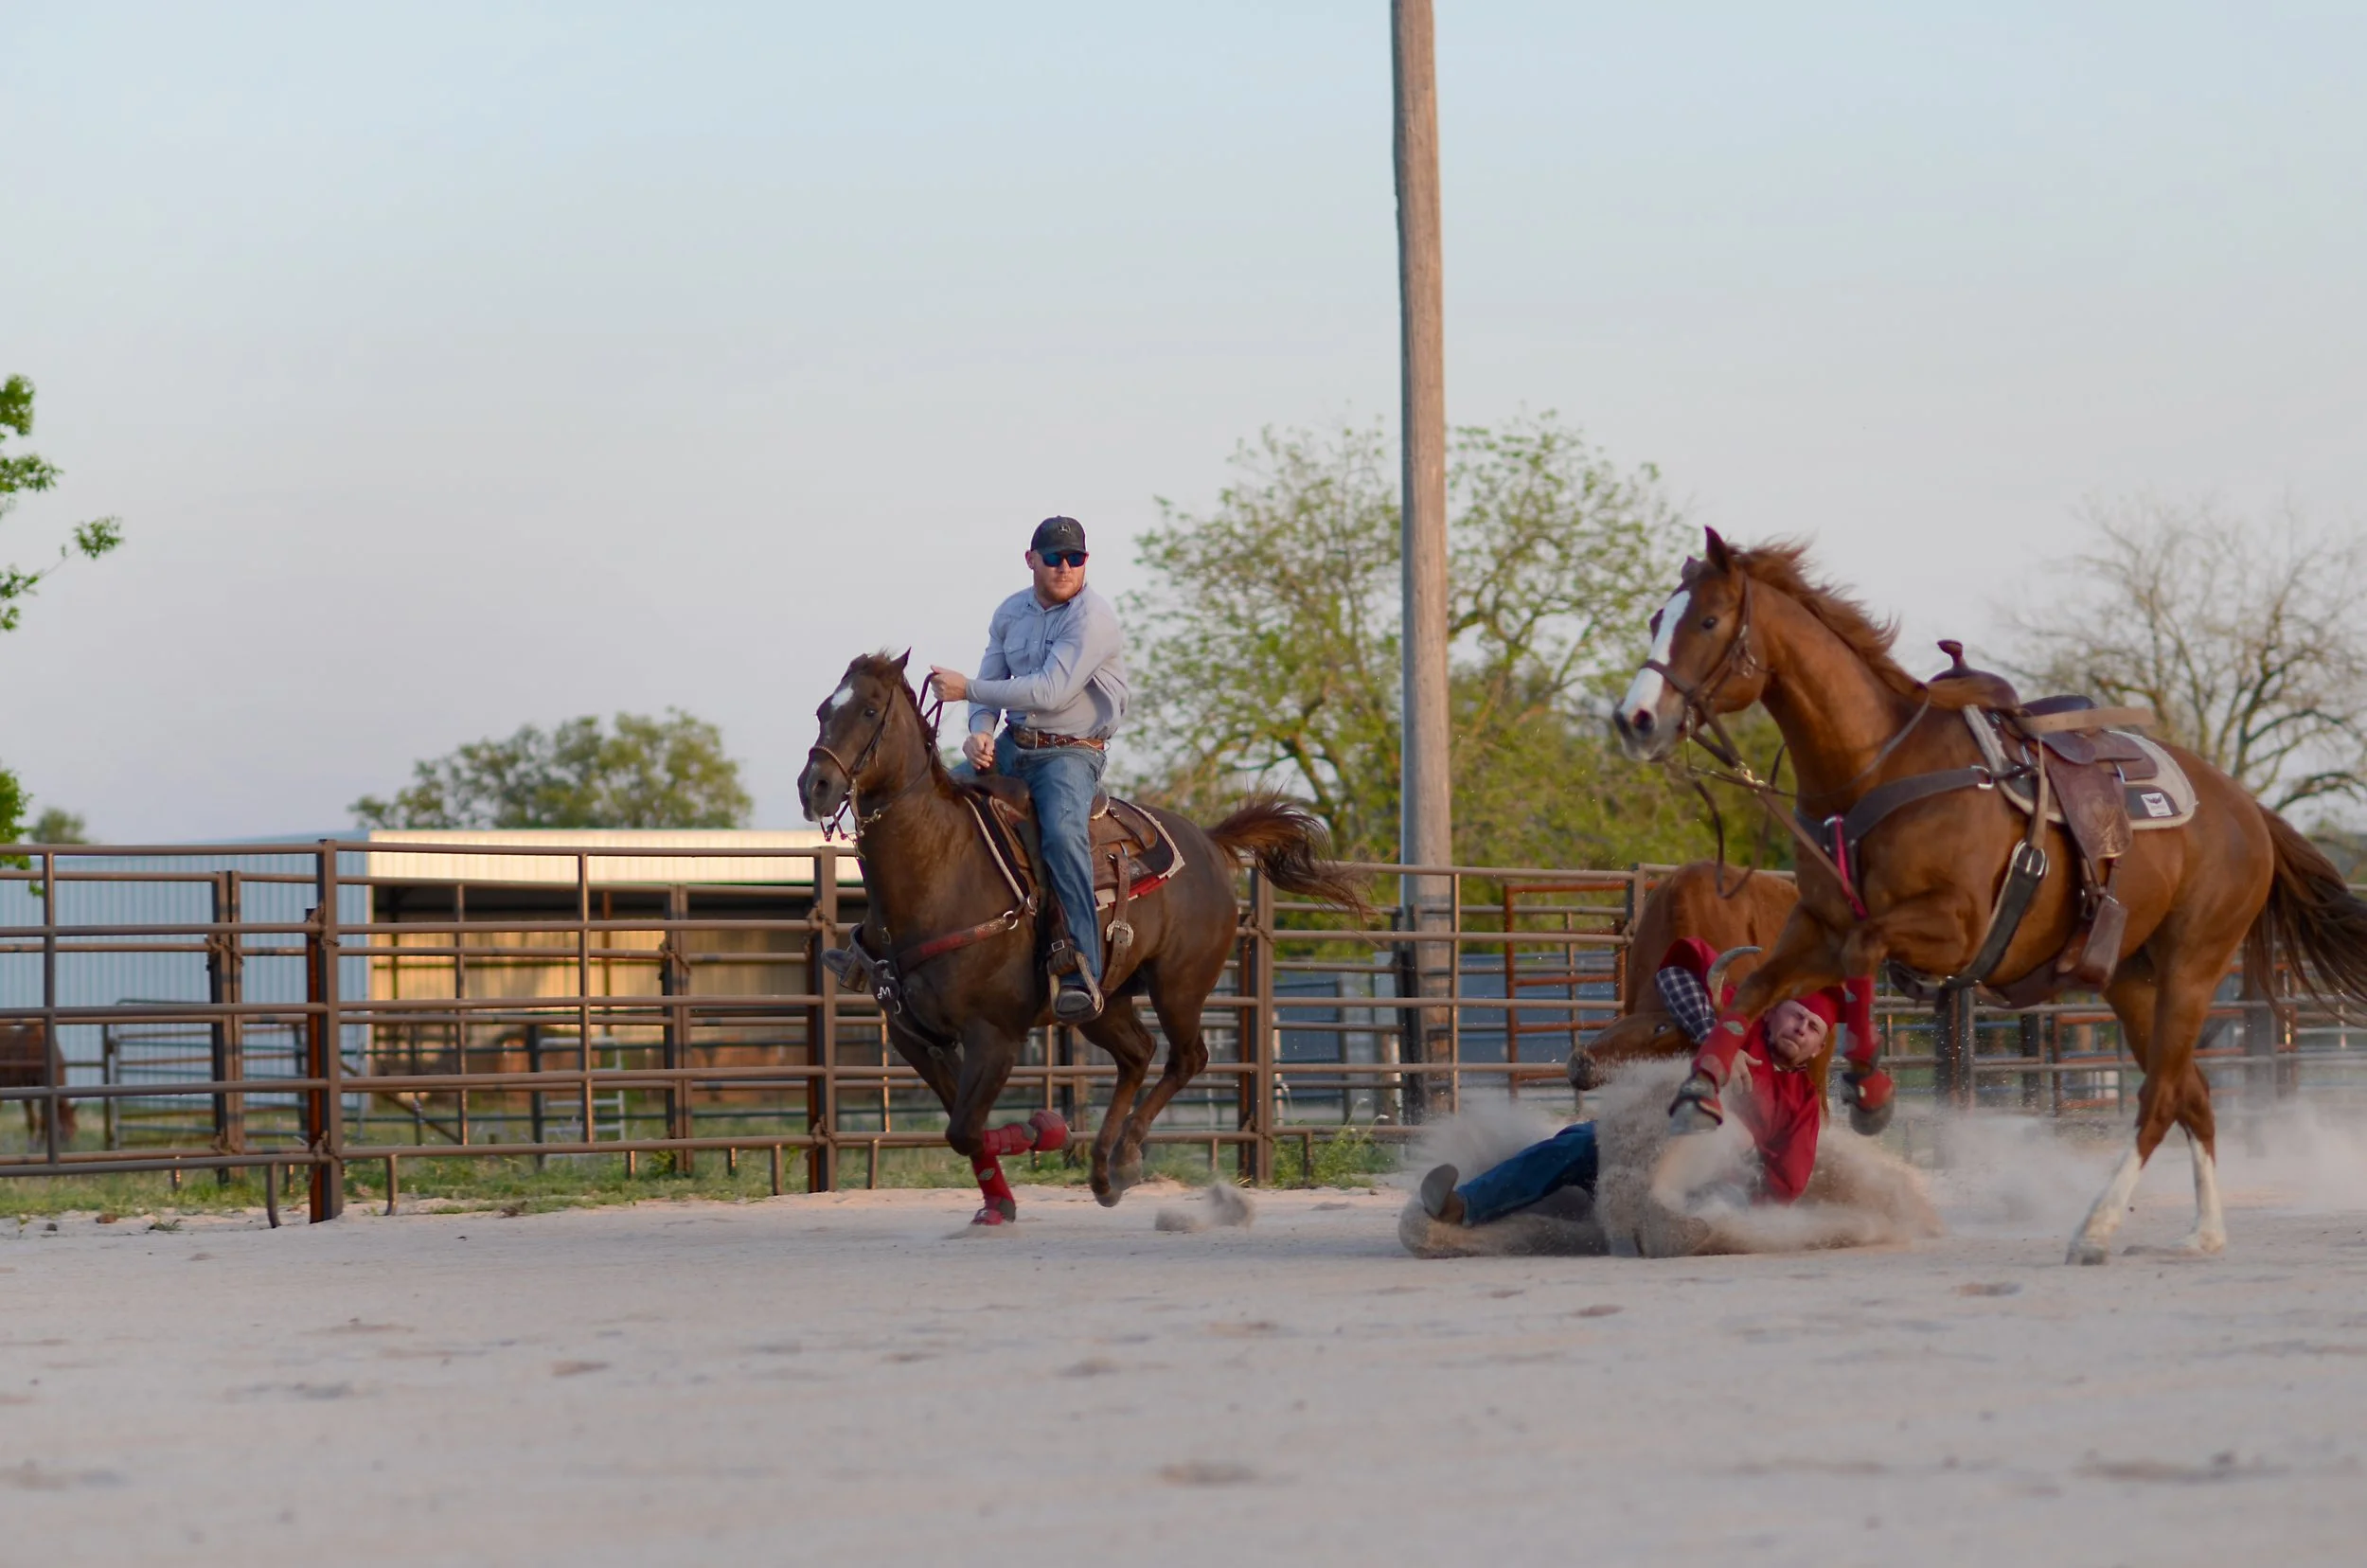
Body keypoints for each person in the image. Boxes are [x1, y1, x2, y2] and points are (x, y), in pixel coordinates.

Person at [1418, 940, 1846, 1226]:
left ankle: (1682, 1236)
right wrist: (1713, 1038)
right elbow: (1677, 972)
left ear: (1816, 1050)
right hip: (1640, 1142)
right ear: (1771, 1015)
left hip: (1716, 1180)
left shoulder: (1803, 1102)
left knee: (1718, 1203)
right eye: (1796, 1014)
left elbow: (1787, 1183)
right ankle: (1465, 1206)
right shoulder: (1734, 1025)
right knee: (1571, 1145)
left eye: (1813, 1028)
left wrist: (1749, 1196)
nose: (1801, 1028)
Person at [927, 516, 1130, 1023]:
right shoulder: (1010, 612)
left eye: (1076, 559)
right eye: (1055, 557)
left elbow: (1047, 691)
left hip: (1071, 752)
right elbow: (993, 681)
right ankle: (890, 944)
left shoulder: (1093, 618)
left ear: (1085, 564)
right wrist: (977, 731)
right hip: (1015, 744)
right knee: (931, 807)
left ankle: (1084, 965)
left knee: (1062, 835)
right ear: (1031, 559)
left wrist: (967, 691)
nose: (1065, 567)